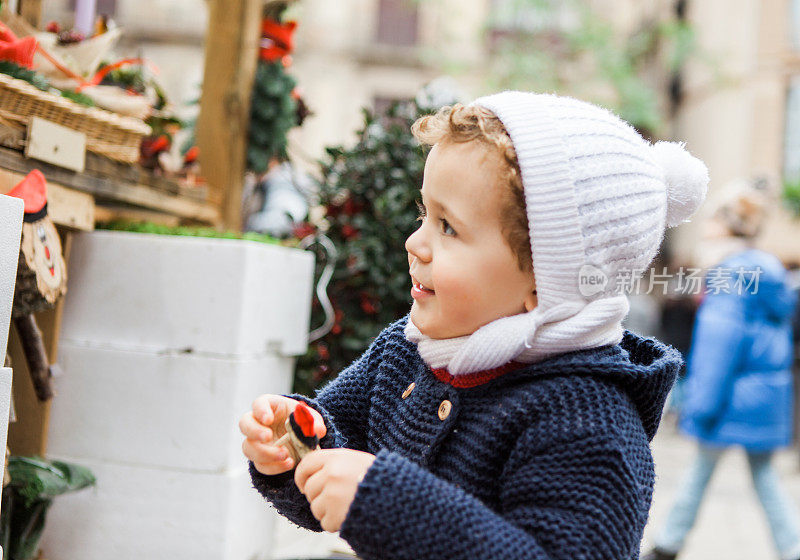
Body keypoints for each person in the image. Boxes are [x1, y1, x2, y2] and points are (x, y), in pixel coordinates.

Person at [240, 91, 709, 560]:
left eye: (448, 227)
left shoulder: (588, 422)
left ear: (545, 285)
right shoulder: (408, 351)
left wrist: (386, 505)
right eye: (425, 214)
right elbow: (340, 445)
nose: (414, 242)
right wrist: (297, 446)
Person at [643, 180, 800, 560]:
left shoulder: (730, 275)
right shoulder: (768, 270)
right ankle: (791, 547)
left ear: (728, 224)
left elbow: (718, 348)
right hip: (764, 394)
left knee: (700, 473)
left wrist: (700, 406)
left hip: (729, 397)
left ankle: (668, 544)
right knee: (762, 479)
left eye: (713, 215)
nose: (706, 222)